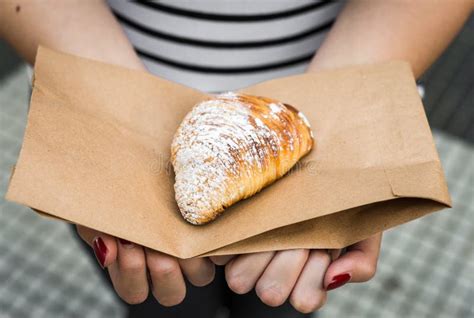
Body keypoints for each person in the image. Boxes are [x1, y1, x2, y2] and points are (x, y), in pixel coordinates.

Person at [0, 1, 471, 317]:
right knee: (161, 301)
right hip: (95, 106)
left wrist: (346, 110)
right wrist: (111, 104)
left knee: (279, 300)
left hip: (338, 96)